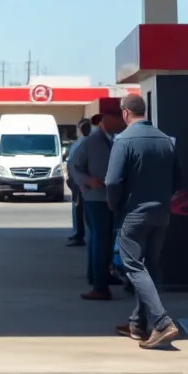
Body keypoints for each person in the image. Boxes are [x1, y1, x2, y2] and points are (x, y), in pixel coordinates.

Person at [105, 94, 182, 349]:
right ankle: (137, 324)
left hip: (133, 214)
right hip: (160, 214)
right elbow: (178, 178)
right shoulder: (165, 140)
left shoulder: (123, 140)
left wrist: (114, 205)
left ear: (126, 113)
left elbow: (112, 181)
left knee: (134, 267)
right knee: (150, 267)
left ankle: (162, 322)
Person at [68, 113, 116, 301]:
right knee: (100, 240)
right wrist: (87, 181)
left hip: (110, 198)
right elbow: (74, 166)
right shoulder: (90, 142)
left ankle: (102, 276)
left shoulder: (113, 140)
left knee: (105, 240)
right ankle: (99, 285)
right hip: (96, 199)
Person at [66, 120, 91, 246]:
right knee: (77, 208)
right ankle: (78, 233)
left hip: (79, 181)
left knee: (79, 209)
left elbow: (75, 162)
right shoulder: (80, 142)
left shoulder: (85, 142)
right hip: (76, 180)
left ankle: (79, 234)